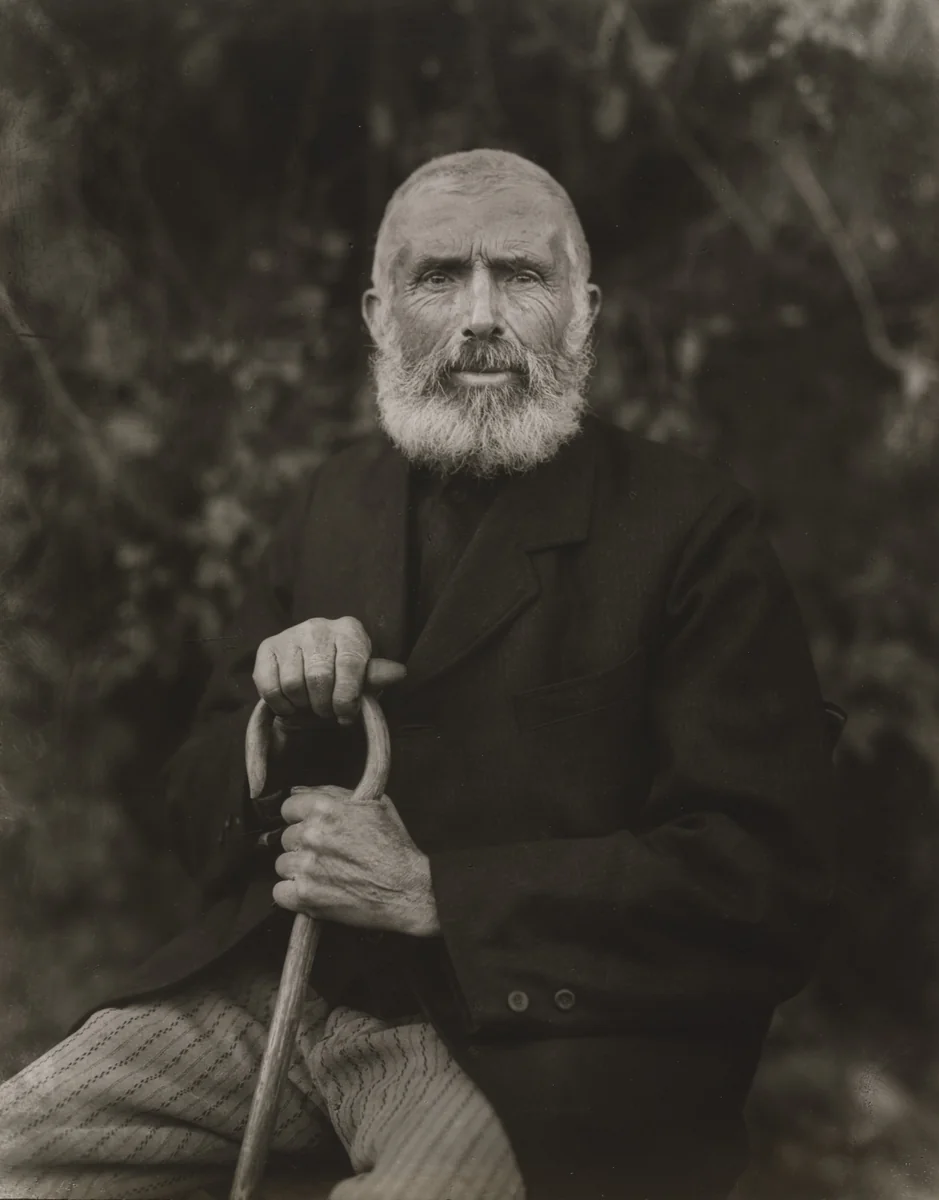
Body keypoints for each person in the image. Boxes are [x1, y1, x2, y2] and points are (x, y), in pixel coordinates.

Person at [0, 149, 836, 1200]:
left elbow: (766, 887)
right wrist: (274, 721)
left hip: (516, 1048)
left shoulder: (691, 529)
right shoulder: (328, 506)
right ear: (378, 313)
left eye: (520, 277)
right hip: (283, 997)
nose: (480, 315)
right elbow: (191, 811)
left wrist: (438, 894)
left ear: (582, 311)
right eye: (439, 278)